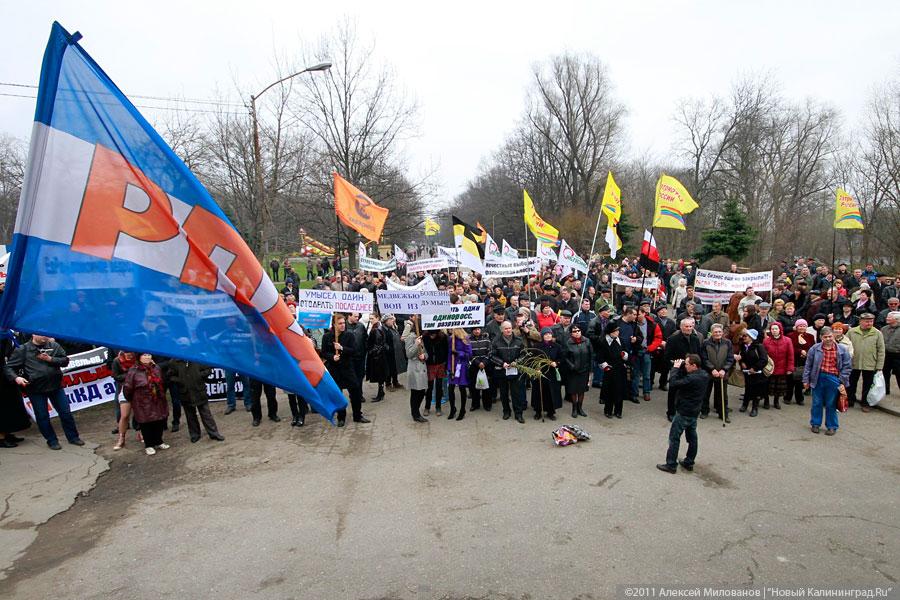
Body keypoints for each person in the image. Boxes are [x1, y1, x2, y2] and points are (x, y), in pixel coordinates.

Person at [4, 334, 84, 450]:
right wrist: (17, 378)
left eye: (46, 334)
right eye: (41, 334)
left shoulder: (53, 345)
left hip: (56, 386)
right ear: (33, 334)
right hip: (36, 389)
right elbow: (8, 367)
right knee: (42, 416)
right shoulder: (23, 349)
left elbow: (65, 361)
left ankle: (73, 437)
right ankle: (51, 440)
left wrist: (50, 359)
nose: (45, 337)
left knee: (66, 413)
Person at [656, 355, 709, 474]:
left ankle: (671, 464)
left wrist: (675, 368)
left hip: (684, 411)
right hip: (694, 411)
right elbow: (685, 378)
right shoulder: (704, 375)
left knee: (674, 438)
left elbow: (674, 383)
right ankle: (689, 462)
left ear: (694, 365)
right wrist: (681, 369)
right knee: (692, 438)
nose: (685, 366)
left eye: (687, 364)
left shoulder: (692, 379)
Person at [321, 314, 369, 426]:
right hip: (334, 369)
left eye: (343, 323)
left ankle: (357, 415)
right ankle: (341, 417)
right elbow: (324, 352)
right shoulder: (327, 337)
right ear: (334, 324)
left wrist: (342, 348)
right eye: (340, 323)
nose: (343, 325)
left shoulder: (349, 335)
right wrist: (332, 357)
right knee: (338, 394)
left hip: (348, 368)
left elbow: (354, 350)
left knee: (355, 392)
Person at [803, 327, 851, 435]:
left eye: (830, 336)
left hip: (833, 378)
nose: (828, 339)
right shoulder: (814, 349)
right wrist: (805, 380)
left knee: (831, 404)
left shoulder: (842, 349)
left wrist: (841, 380)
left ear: (833, 336)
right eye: (825, 337)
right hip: (818, 377)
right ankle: (815, 424)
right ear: (821, 337)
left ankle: (832, 426)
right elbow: (808, 365)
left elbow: (847, 367)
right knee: (816, 403)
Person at [166, 359, 225, 443]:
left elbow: (208, 370)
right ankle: (194, 434)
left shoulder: (197, 358)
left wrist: (198, 376)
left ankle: (214, 433)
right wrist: (181, 380)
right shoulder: (174, 362)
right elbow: (170, 375)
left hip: (199, 390)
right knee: (190, 415)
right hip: (185, 392)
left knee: (206, 414)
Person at [123, 353, 168, 455]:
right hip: (142, 402)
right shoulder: (133, 371)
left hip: (157, 400)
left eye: (149, 355)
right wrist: (134, 400)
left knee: (159, 421)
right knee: (146, 424)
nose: (147, 357)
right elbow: (127, 388)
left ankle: (159, 441)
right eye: (144, 355)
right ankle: (149, 445)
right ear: (139, 357)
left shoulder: (156, 368)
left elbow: (162, 382)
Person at [664, 317, 702, 421]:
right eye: (686, 326)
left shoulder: (695, 339)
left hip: (692, 371)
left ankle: (685, 410)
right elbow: (667, 356)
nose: (689, 328)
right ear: (681, 327)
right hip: (678, 369)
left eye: (691, 326)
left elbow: (698, 354)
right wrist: (675, 365)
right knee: (673, 390)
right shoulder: (673, 339)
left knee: (688, 392)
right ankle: (671, 412)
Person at [845, 313, 886, 412]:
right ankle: (850, 400)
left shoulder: (877, 333)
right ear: (860, 321)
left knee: (868, 384)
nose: (869, 323)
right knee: (851, 382)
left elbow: (881, 350)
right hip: (854, 362)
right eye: (867, 321)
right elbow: (845, 345)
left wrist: (880, 365)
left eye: (871, 321)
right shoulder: (852, 332)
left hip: (870, 363)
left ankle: (865, 402)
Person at [491, 321, 526, 423]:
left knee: (516, 393)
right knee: (503, 393)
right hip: (502, 371)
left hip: (515, 370)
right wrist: (502, 363)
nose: (508, 330)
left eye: (510, 328)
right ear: (502, 330)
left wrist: (517, 362)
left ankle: (518, 413)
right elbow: (491, 355)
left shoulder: (519, 340)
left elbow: (524, 354)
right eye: (506, 328)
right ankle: (506, 411)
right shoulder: (496, 341)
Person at [0, 331, 30, 448]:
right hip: (2, 377)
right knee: (2, 407)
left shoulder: (8, 334)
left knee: (11, 406)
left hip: (8, 376)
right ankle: (1, 437)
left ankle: (7, 433)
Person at [701, 324, 735, 422]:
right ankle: (704, 411)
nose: (718, 334)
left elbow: (730, 358)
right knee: (705, 393)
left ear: (722, 333)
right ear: (711, 333)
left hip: (722, 373)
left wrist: (724, 369)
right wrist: (712, 369)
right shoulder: (705, 343)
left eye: (720, 332)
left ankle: (723, 414)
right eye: (716, 332)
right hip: (708, 372)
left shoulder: (727, 343)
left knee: (722, 395)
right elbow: (704, 358)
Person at [596, 320, 628, 419]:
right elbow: (600, 357)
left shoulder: (621, 340)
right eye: (615, 331)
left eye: (618, 331)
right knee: (609, 391)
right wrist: (605, 366)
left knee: (619, 390)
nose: (617, 333)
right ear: (610, 332)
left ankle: (618, 411)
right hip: (610, 369)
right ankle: (608, 410)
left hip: (620, 369)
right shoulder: (603, 341)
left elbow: (626, 352)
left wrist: (624, 355)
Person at [531, 327, 562, 420]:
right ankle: (538, 411)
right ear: (542, 336)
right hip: (540, 372)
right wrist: (536, 368)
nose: (548, 335)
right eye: (546, 334)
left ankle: (550, 412)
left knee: (551, 392)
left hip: (551, 373)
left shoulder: (557, 346)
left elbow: (561, 358)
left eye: (550, 334)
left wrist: (556, 363)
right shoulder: (537, 346)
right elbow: (533, 359)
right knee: (539, 392)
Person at [736, 329, 768, 417]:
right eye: (743, 336)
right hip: (747, 372)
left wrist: (755, 368)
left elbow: (764, 360)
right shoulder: (743, 346)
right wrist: (742, 362)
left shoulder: (759, 347)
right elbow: (741, 356)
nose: (743, 337)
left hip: (757, 373)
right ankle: (744, 405)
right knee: (747, 389)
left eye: (746, 336)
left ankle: (754, 408)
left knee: (756, 391)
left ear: (751, 338)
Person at [762, 322, 794, 410]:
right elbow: (763, 355)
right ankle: (766, 401)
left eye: (776, 329)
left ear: (780, 330)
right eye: (772, 329)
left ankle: (776, 401)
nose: (774, 331)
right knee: (767, 386)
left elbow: (790, 355)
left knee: (779, 387)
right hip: (769, 368)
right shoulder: (766, 341)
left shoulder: (787, 340)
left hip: (782, 367)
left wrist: (790, 368)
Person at [564, 324, 593, 418]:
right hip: (573, 371)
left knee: (582, 390)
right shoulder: (568, 343)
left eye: (578, 331)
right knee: (574, 390)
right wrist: (572, 366)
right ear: (571, 333)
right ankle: (574, 408)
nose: (577, 333)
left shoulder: (587, 341)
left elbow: (591, 356)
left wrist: (590, 369)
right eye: (574, 331)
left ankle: (580, 408)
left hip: (584, 370)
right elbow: (565, 357)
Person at [112, 351, 139, 449]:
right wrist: (130, 374)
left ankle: (140, 433)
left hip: (137, 389)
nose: (129, 355)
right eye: (127, 353)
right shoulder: (117, 361)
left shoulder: (137, 358)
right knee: (124, 415)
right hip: (124, 389)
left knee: (139, 413)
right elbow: (116, 376)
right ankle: (121, 438)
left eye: (131, 353)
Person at [447, 328, 472, 421]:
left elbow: (469, 354)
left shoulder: (465, 338)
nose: (449, 330)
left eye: (450, 329)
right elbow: (449, 354)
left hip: (462, 366)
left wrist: (459, 353)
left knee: (462, 388)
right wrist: (449, 367)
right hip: (453, 366)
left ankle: (462, 410)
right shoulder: (450, 339)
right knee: (450, 388)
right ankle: (452, 408)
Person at [423, 329, 448, 416]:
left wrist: (445, 363)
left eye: (433, 334)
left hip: (440, 364)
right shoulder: (425, 337)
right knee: (429, 387)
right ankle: (427, 407)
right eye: (430, 334)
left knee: (439, 386)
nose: (431, 336)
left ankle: (438, 407)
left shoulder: (443, 337)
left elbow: (446, 350)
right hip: (430, 365)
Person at [405, 330, 429, 423]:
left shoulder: (422, 337)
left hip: (422, 369)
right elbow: (408, 354)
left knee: (422, 392)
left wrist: (425, 356)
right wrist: (416, 344)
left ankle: (416, 412)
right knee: (415, 392)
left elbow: (426, 352)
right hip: (414, 369)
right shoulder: (411, 337)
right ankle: (415, 414)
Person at [365, 313, 389, 402]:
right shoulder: (378, 326)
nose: (370, 320)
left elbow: (378, 344)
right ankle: (381, 393)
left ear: (377, 318)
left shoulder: (376, 329)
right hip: (379, 356)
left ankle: (380, 394)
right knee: (380, 376)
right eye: (370, 318)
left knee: (379, 376)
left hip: (377, 357)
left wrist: (372, 352)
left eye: (372, 318)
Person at [382, 315, 406, 390]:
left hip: (396, 352)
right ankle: (388, 384)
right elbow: (382, 341)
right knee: (389, 368)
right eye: (391, 319)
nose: (393, 321)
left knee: (395, 368)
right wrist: (388, 349)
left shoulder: (393, 327)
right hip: (389, 353)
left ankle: (395, 382)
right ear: (386, 321)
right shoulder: (383, 329)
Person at [880, 311, 900, 395]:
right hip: (886, 355)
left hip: (898, 355)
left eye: (889, 317)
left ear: (896, 319)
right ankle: (885, 390)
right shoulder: (884, 329)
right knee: (884, 373)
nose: (887, 318)